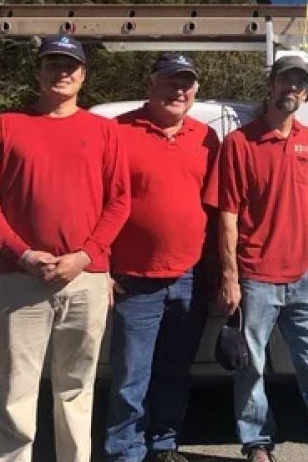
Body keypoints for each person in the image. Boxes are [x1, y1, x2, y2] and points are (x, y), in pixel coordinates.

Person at [0, 35, 130, 462]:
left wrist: (85, 255)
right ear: (38, 71)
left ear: (83, 75)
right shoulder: (5, 126)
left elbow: (120, 201)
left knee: (76, 390)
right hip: (21, 280)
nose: (62, 72)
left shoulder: (104, 131)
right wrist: (21, 252)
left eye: (70, 65)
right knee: (17, 391)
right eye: (53, 64)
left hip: (86, 279)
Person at [217, 55, 308, 462]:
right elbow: (227, 214)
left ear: (306, 93)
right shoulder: (240, 143)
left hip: (305, 279)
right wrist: (230, 276)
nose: (292, 90)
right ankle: (257, 444)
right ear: (271, 85)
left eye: (300, 84)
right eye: (286, 82)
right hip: (255, 277)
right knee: (251, 369)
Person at [104, 54, 220, 462]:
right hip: (134, 278)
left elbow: (219, 210)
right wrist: (102, 266)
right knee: (131, 376)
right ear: (151, 84)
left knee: (174, 372)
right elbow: (97, 202)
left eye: (187, 83)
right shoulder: (116, 131)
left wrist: (221, 273)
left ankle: (164, 445)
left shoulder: (206, 138)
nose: (179, 90)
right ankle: (125, 452)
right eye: (170, 81)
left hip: (190, 275)